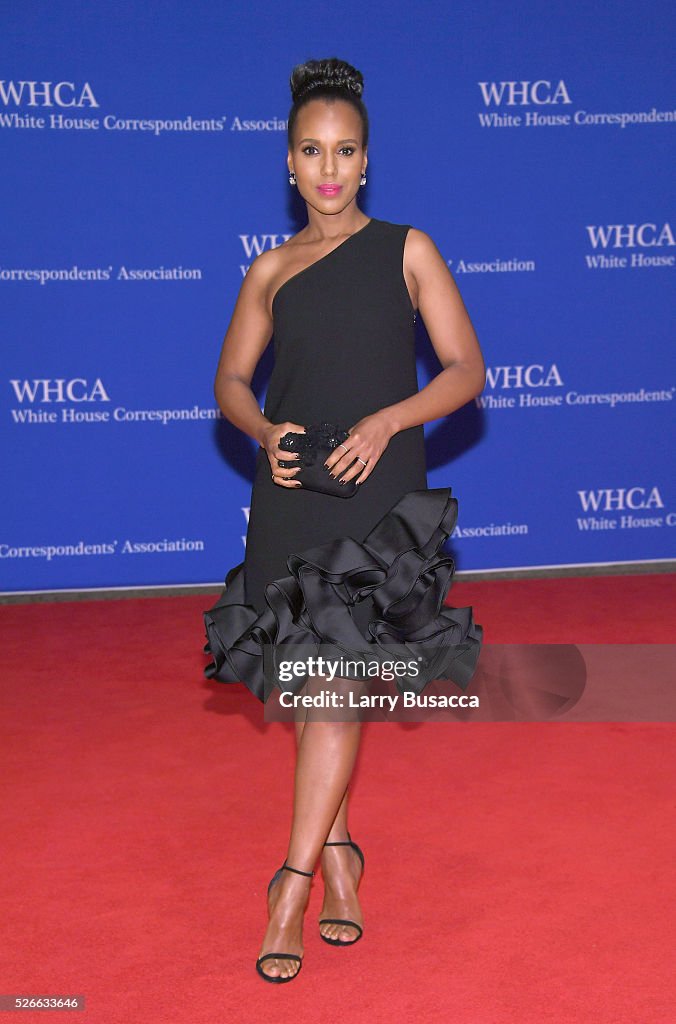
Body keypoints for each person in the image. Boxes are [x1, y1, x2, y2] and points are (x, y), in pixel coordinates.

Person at [202, 57, 486, 983]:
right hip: (291, 493)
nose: (330, 169)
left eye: (347, 151)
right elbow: (230, 383)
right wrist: (261, 428)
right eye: (312, 152)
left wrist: (389, 419)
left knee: (331, 692)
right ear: (289, 164)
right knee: (312, 692)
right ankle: (342, 858)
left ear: (368, 162)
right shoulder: (271, 268)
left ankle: (288, 883)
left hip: (377, 490)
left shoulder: (409, 249)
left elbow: (463, 369)